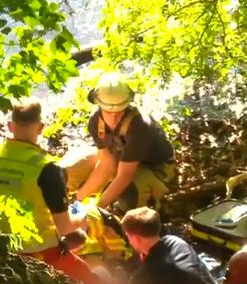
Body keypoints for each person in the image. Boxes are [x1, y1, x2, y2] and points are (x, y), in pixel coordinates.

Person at [0, 99, 91, 283]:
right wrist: (82, 220)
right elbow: (64, 227)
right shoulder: (47, 169)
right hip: (43, 255)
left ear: (10, 126)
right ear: (40, 128)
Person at [73, 73, 175, 211]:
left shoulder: (138, 126)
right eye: (109, 112)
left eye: (119, 112)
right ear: (99, 106)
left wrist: (96, 210)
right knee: (71, 170)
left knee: (129, 193)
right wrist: (77, 201)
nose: (114, 118)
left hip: (154, 166)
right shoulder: (95, 122)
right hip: (121, 158)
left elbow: (124, 176)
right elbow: (106, 165)